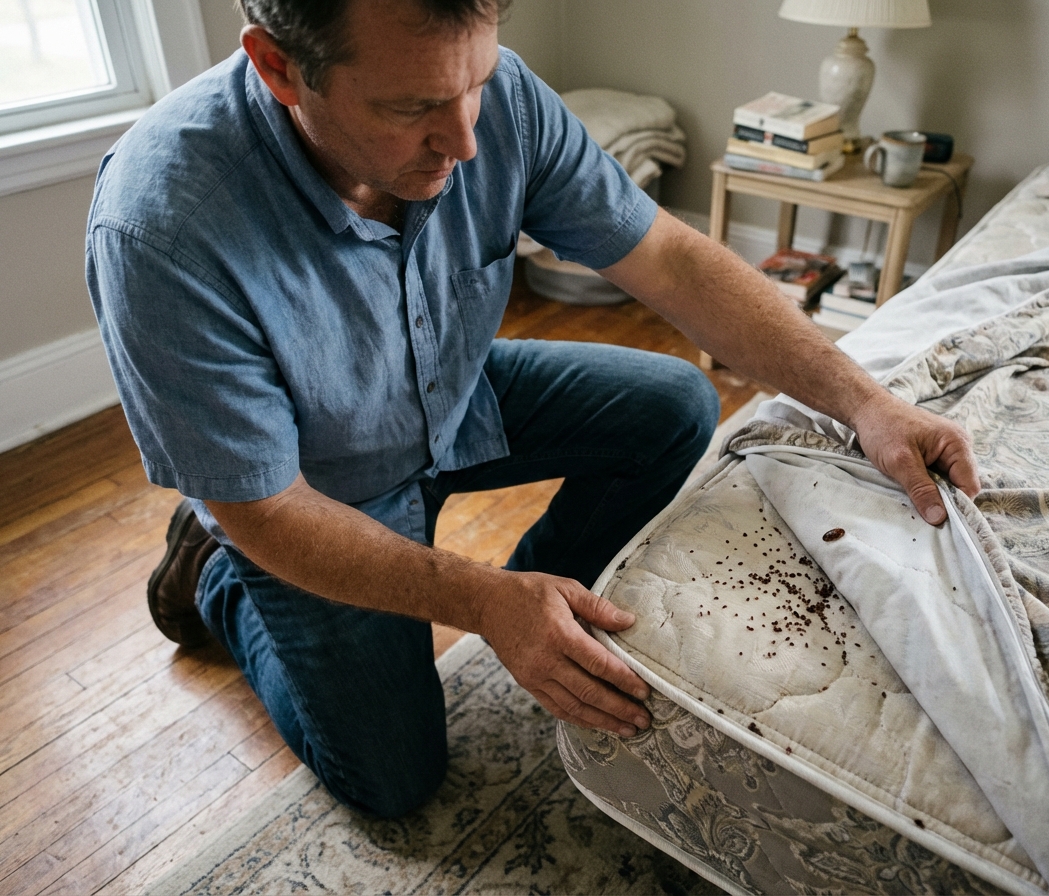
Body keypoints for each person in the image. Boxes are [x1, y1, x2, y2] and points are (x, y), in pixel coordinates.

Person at [86, 0, 980, 819]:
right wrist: (480, 599)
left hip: (450, 393)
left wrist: (864, 401)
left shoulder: (497, 101)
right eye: (412, 108)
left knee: (672, 401)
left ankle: (534, 606)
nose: (466, 140)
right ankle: (214, 573)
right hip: (309, 492)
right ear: (279, 69)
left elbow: (665, 258)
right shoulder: (159, 224)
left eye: (476, 81)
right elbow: (268, 510)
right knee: (394, 780)